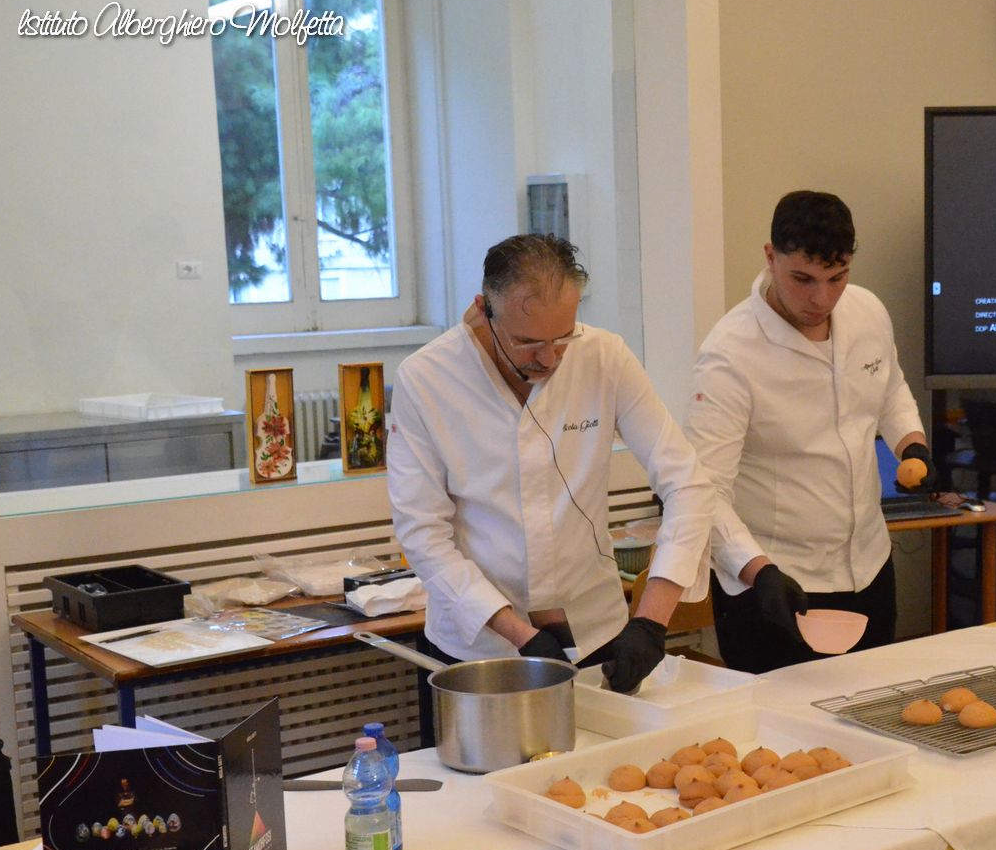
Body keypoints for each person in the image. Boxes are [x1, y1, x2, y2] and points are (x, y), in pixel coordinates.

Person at [387, 234, 713, 693]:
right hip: (482, 645)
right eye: (527, 342)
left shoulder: (604, 357)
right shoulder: (427, 378)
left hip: (597, 630)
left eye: (563, 337)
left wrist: (651, 621)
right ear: (483, 309)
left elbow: (688, 485)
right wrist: (520, 633)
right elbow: (423, 533)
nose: (548, 358)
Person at [684, 191, 931, 674]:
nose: (822, 298)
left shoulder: (867, 312)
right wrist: (757, 569)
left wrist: (912, 443)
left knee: (872, 708)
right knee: (780, 722)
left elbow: (890, 389)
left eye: (837, 278)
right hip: (776, 584)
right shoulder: (729, 356)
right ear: (770, 257)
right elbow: (702, 491)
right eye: (803, 279)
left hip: (869, 567)